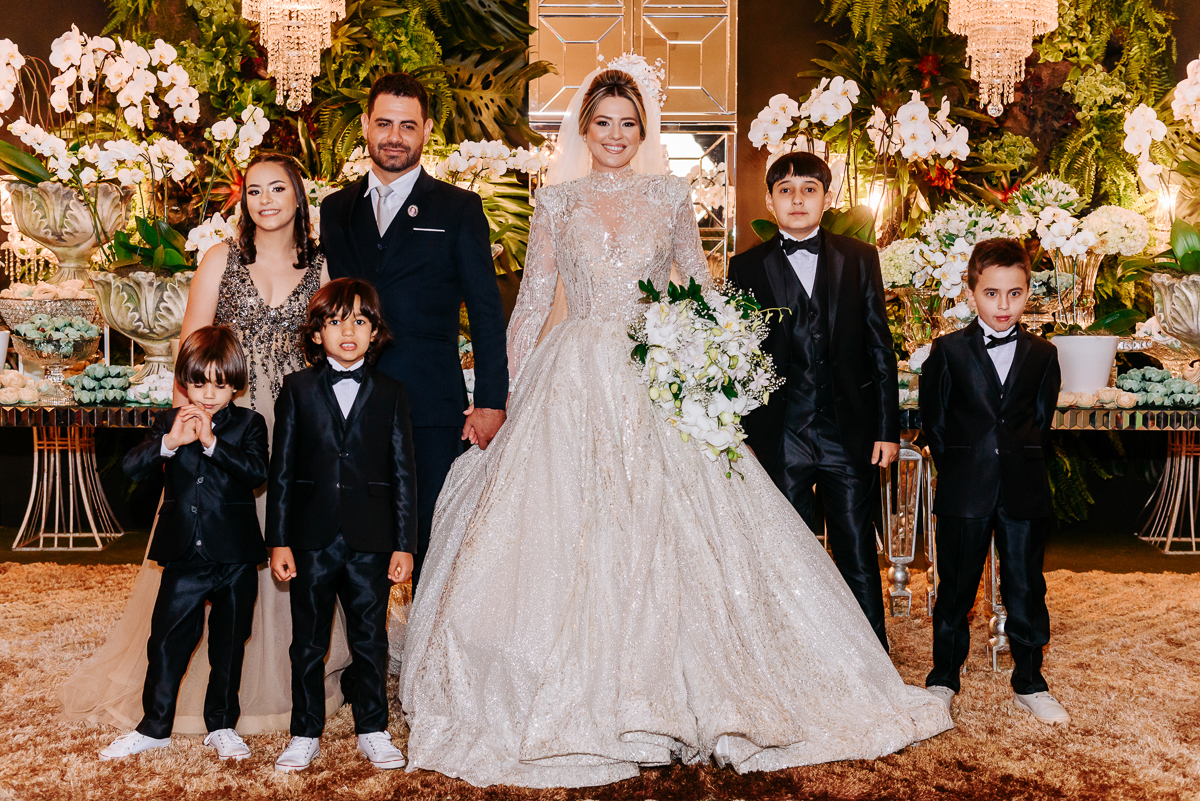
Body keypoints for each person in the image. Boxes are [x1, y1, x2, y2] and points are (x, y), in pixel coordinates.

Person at [399, 65, 952, 789]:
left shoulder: (669, 195)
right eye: (604, 122)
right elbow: (533, 302)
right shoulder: (556, 202)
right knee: (565, 526)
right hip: (572, 373)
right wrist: (496, 394)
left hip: (655, 367)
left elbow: (696, 290)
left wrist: (712, 371)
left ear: (645, 130)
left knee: (686, 528)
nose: (617, 136)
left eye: (629, 123)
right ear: (583, 129)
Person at [59, 154, 348, 735]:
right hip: (226, 420)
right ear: (244, 201)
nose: (266, 200)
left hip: (294, 424)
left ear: (299, 197)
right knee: (210, 546)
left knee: (290, 542)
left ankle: (285, 684)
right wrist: (187, 434)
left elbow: (334, 352)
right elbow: (190, 350)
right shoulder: (220, 259)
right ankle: (192, 698)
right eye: (254, 190)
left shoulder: (323, 268)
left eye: (279, 188)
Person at [319, 72, 508, 589]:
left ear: (427, 130)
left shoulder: (458, 208)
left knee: (428, 543)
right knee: (354, 543)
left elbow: (487, 311)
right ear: (365, 126)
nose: (394, 136)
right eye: (384, 123)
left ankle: (423, 665)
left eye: (407, 125)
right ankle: (360, 664)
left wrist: (491, 401)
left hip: (428, 404)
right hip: (347, 405)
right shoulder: (334, 210)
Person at [725, 151, 899, 652]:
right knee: (788, 552)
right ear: (769, 201)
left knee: (856, 548)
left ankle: (872, 660)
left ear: (827, 198)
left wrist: (887, 428)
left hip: (849, 433)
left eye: (808, 189)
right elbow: (738, 357)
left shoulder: (859, 258)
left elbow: (878, 346)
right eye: (785, 190)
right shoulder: (746, 267)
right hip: (781, 434)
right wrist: (742, 434)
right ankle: (797, 659)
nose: (797, 199)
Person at [267, 278, 417, 772]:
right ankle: (305, 731)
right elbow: (282, 469)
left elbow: (402, 472)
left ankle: (373, 729)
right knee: (308, 640)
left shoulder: (393, 392)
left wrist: (404, 543)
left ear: (375, 332)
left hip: (371, 541)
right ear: (316, 334)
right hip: (310, 539)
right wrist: (279, 541)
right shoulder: (297, 388)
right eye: (334, 322)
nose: (347, 330)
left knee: (369, 639)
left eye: (359, 320)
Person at [99, 327, 268, 762]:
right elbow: (131, 470)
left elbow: (256, 473)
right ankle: (155, 727)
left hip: (234, 556)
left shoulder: (251, 424)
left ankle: (222, 725)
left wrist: (211, 443)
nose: (209, 394)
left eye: (220, 383)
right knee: (166, 643)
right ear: (183, 381)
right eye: (198, 382)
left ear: (235, 384)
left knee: (229, 644)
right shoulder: (165, 422)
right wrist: (172, 442)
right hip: (182, 557)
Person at [919, 238, 1067, 725]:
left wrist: (1013, 460)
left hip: (1024, 489)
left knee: (1026, 586)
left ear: (1028, 293)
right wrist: (964, 466)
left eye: (1015, 294)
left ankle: (1030, 681)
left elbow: (1040, 421)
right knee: (955, 588)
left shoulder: (1043, 354)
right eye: (991, 294)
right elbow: (935, 422)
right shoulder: (947, 351)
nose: (1003, 306)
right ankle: (943, 676)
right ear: (971, 292)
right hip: (966, 488)